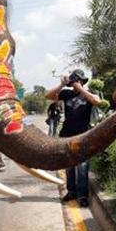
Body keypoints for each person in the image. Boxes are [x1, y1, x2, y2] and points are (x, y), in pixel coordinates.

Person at [45, 69, 102, 207]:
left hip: (83, 136)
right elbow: (48, 96)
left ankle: (83, 196)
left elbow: (97, 102)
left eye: (78, 80)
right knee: (69, 166)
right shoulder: (66, 94)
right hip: (66, 135)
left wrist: (81, 90)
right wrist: (61, 85)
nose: (76, 83)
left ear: (82, 81)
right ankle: (72, 192)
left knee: (82, 167)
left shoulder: (90, 94)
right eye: (74, 81)